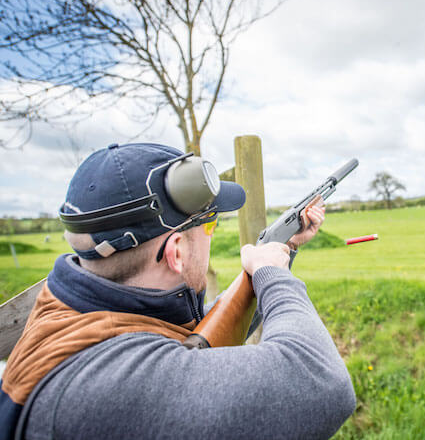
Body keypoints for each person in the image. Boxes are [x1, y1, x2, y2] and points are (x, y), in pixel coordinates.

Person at [0, 143, 356, 440]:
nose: (211, 234)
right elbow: (321, 382)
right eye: (211, 223)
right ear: (176, 252)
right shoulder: (109, 386)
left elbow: (213, 330)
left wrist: (284, 248)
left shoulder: (72, 311)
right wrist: (272, 274)